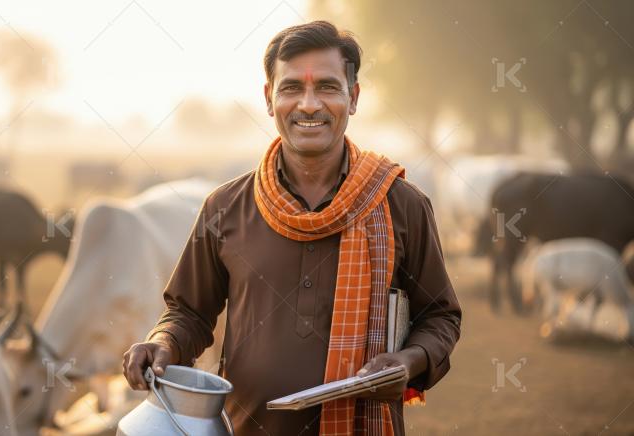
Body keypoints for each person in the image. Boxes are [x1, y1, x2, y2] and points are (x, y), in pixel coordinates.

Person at [123, 20, 462, 436]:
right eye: (291, 89)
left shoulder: (400, 205)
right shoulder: (225, 207)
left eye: (327, 86)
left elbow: (440, 316)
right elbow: (188, 312)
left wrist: (410, 361)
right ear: (269, 99)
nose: (308, 105)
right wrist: (163, 342)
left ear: (352, 98)